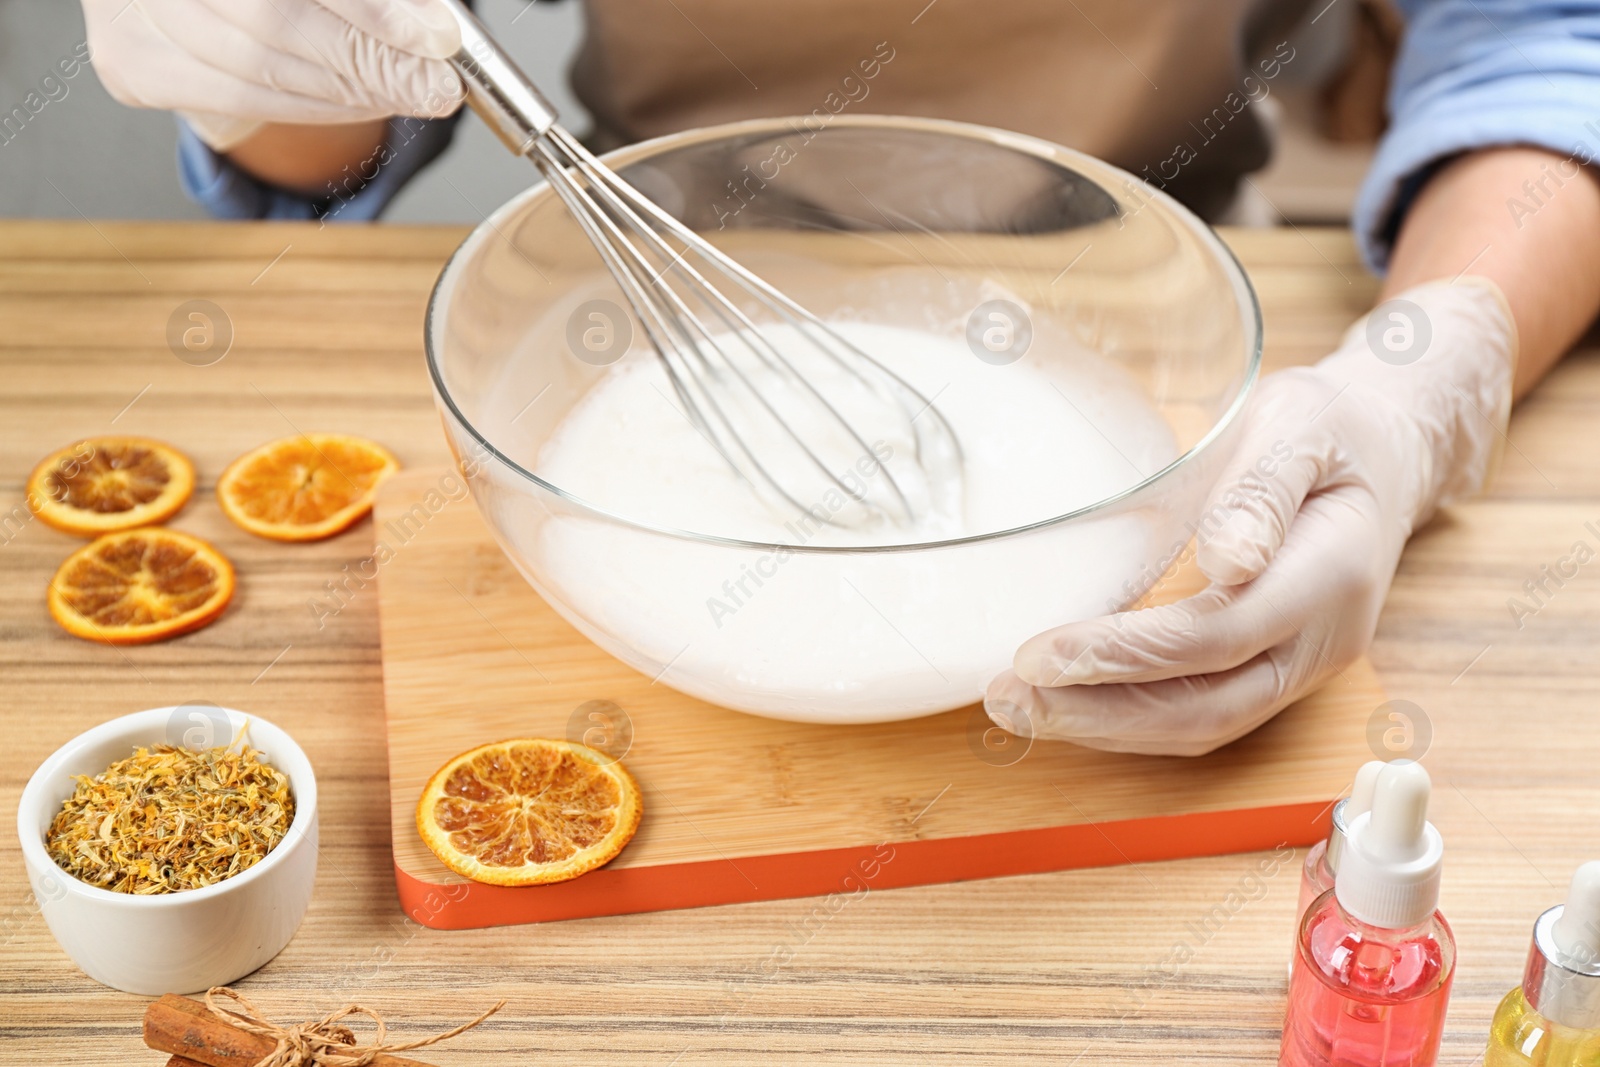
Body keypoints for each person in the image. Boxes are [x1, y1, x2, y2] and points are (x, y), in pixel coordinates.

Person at [82, 0, 1600, 754]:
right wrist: (250, 57)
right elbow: (356, 118)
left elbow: (1543, 39)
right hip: (647, 271)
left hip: (1155, 299)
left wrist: (1421, 380)